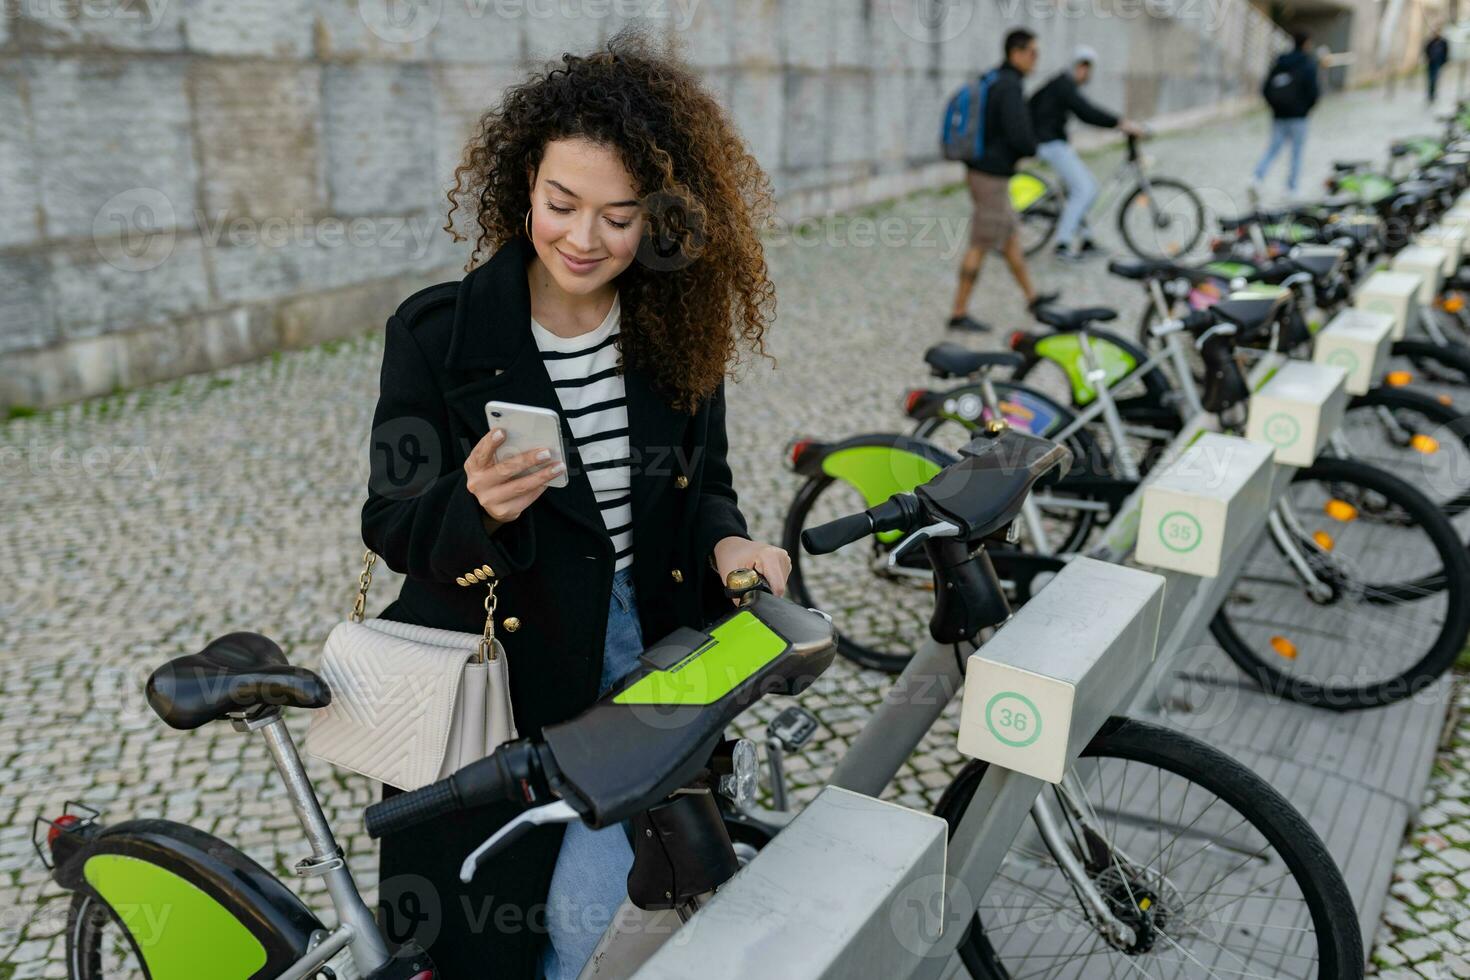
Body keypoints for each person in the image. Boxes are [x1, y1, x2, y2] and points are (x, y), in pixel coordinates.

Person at [361, 33, 791, 980]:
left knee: (617, 913)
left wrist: (729, 546)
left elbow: (706, 484)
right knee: (503, 936)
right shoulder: (436, 336)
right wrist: (473, 506)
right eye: (562, 204)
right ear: (525, 188)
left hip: (651, 661)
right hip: (501, 678)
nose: (584, 239)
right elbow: (390, 525)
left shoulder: (677, 328)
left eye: (619, 216)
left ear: (659, 219)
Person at [948, 27, 1056, 333]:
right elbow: (1018, 132)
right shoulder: (1009, 86)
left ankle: (1032, 298)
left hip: (987, 172)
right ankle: (958, 313)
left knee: (1010, 240)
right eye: (1033, 53)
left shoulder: (995, 79)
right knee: (980, 243)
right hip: (990, 177)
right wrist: (1032, 147)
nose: (1036, 60)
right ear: (1016, 53)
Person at [1028, 44, 1146, 262]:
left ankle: (1086, 240)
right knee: (1084, 190)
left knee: (1086, 188)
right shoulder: (1064, 85)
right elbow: (1086, 112)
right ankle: (1062, 245)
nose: (1088, 75)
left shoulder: (1062, 84)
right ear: (1080, 67)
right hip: (1049, 144)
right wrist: (1120, 123)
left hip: (1053, 142)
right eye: (1087, 69)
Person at [1250, 31, 1320, 200]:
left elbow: (1266, 89)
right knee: (1296, 153)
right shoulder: (1307, 64)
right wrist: (1305, 108)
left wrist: (1276, 107)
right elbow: (1314, 92)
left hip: (1279, 116)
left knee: (1273, 149)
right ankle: (1292, 188)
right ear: (1306, 44)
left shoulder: (1280, 62)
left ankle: (1256, 178)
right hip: (1299, 117)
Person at [1426, 29, 1450, 105]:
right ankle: (1430, 93)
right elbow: (1426, 50)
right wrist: (1429, 57)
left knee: (1434, 78)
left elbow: (1446, 52)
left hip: (1438, 63)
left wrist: (1443, 61)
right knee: (1430, 78)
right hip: (1431, 63)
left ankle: (1433, 93)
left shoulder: (1443, 42)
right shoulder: (1431, 42)